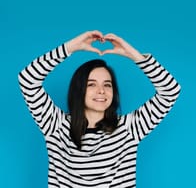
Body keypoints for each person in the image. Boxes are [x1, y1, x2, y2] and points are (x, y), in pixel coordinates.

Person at [18, 30, 181, 188]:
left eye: (107, 85)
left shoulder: (129, 128)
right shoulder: (56, 126)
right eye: (91, 84)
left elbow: (170, 91)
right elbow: (28, 79)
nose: (101, 91)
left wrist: (135, 56)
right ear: (79, 89)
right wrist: (70, 47)